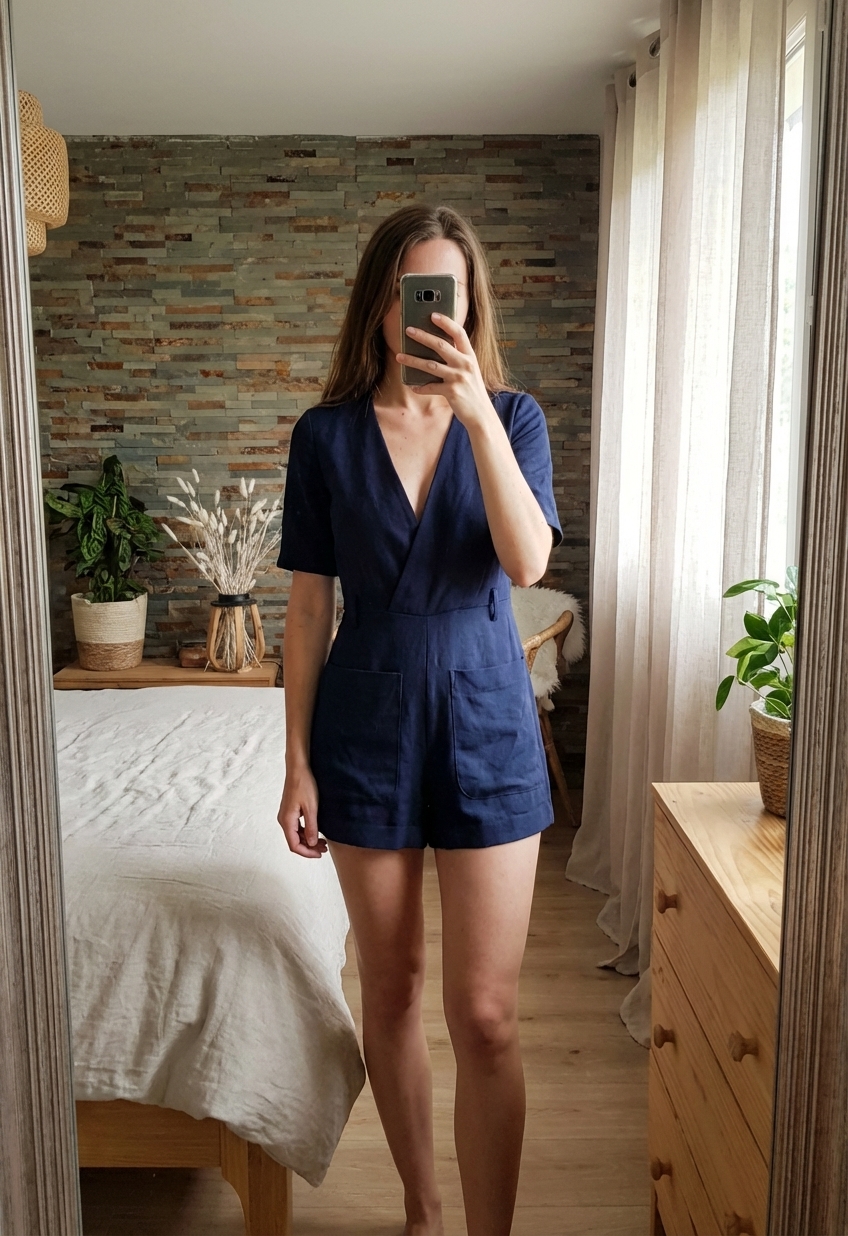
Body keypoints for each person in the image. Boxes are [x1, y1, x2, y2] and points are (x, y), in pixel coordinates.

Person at [276, 203, 562, 1236]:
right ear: (381, 302)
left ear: (471, 307)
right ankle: (424, 1211)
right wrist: (297, 762)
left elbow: (526, 562)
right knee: (390, 992)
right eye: (414, 293)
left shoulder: (514, 419)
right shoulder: (325, 435)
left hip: (487, 722)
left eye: (450, 295)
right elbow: (308, 607)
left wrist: (475, 415)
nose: (432, 315)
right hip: (364, 725)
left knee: (484, 1014)